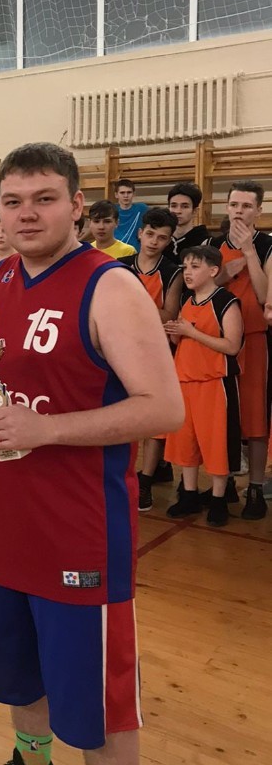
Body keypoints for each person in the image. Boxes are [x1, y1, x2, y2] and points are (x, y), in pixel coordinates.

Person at [0, 142, 183, 765]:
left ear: (76, 205)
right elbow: (8, 387)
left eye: (44, 199)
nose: (27, 213)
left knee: (100, 701)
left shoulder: (110, 287)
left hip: (79, 532)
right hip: (4, 522)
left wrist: (50, 429)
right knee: (19, 671)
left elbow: (164, 408)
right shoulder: (3, 275)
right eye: (13, 201)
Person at [163, 246, 243, 527]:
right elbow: (183, 341)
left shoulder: (226, 301)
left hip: (214, 383)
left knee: (216, 443)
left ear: (213, 271)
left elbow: (232, 346)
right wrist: (175, 334)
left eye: (195, 267)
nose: (188, 272)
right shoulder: (188, 300)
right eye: (185, 267)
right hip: (185, 380)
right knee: (186, 442)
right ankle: (189, 494)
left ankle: (219, 499)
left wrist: (191, 332)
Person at [207, 181, 272, 520]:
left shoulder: (267, 245)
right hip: (216, 340)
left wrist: (248, 253)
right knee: (222, 415)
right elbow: (198, 288)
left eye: (247, 206)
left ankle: (256, 489)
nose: (239, 211)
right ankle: (226, 480)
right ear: (226, 207)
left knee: (255, 418)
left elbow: (264, 295)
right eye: (234, 205)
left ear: (258, 211)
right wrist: (222, 277)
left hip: (255, 339)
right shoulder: (211, 245)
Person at [118, 208, 184, 511]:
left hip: (156, 349)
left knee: (153, 421)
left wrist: (132, 303)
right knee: (120, 412)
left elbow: (169, 314)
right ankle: (121, 473)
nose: (154, 241)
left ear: (169, 241)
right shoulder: (119, 266)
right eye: (150, 234)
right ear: (140, 233)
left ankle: (145, 481)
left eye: (162, 237)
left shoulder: (172, 271)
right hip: (119, 346)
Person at [166, 182, 209, 263]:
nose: (178, 211)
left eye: (185, 206)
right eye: (174, 206)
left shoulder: (206, 242)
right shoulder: (161, 240)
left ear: (195, 211)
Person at [113, 179, 148, 250]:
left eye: (129, 192)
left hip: (135, 251)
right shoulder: (111, 210)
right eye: (122, 193)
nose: (126, 196)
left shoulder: (142, 209)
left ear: (134, 194)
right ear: (116, 195)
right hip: (115, 250)